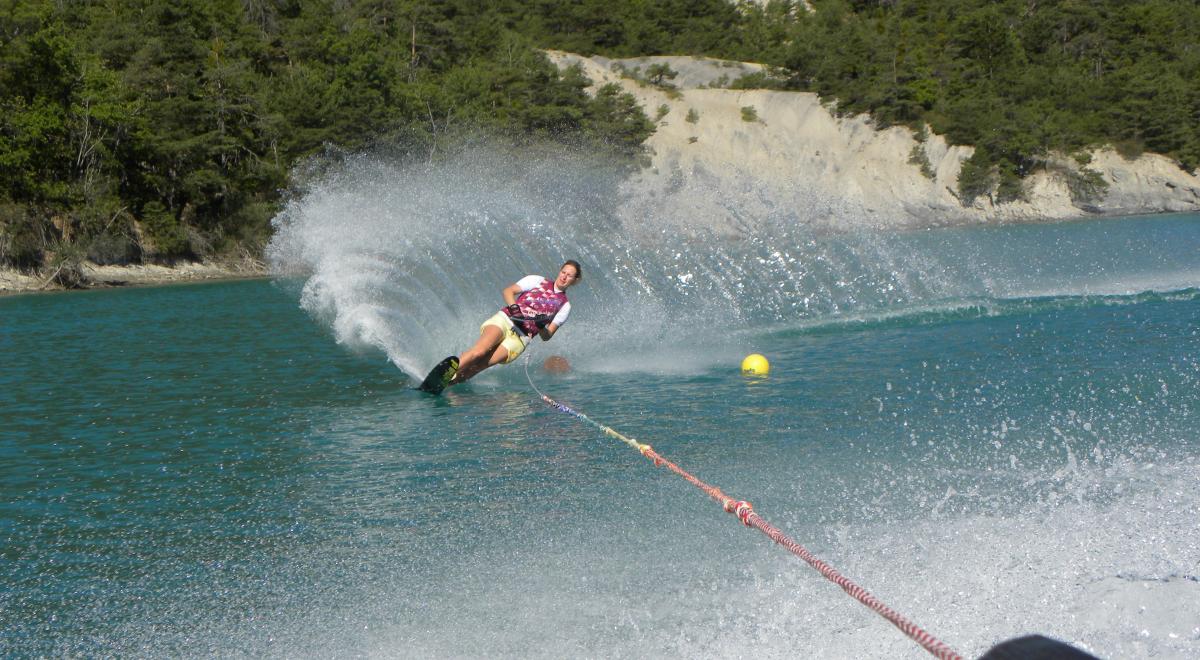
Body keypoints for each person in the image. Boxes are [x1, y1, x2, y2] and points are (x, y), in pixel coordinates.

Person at [449, 260, 581, 386]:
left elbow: (547, 336)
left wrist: (541, 326)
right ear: (560, 271)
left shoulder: (564, 306)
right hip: (506, 320)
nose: (564, 277)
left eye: (569, 275)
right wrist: (515, 309)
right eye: (563, 272)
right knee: (479, 352)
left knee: (480, 365)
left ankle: (448, 384)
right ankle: (447, 373)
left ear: (574, 280)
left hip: (520, 338)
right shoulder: (537, 280)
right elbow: (508, 291)